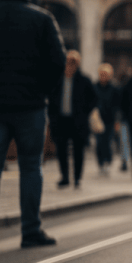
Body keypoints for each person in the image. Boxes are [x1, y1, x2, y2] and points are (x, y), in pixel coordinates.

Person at [0, 0, 66, 251]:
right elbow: (58, 61)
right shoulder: (42, 19)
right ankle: (30, 230)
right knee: (30, 166)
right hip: (30, 106)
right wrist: (43, 90)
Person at [48, 50, 98, 189]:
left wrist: (84, 111)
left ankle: (77, 178)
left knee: (78, 150)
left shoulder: (84, 80)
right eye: (68, 62)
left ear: (77, 64)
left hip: (78, 121)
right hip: (61, 120)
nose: (70, 65)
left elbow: (94, 98)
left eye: (73, 62)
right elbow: (51, 98)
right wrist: (52, 116)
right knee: (61, 149)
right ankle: (64, 177)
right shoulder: (58, 79)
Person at [94, 64, 120, 177]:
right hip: (97, 119)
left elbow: (118, 105)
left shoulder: (114, 88)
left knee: (108, 141)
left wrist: (117, 120)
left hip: (110, 119)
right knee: (99, 142)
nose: (103, 76)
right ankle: (101, 162)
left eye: (105, 74)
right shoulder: (95, 87)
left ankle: (107, 161)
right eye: (102, 74)